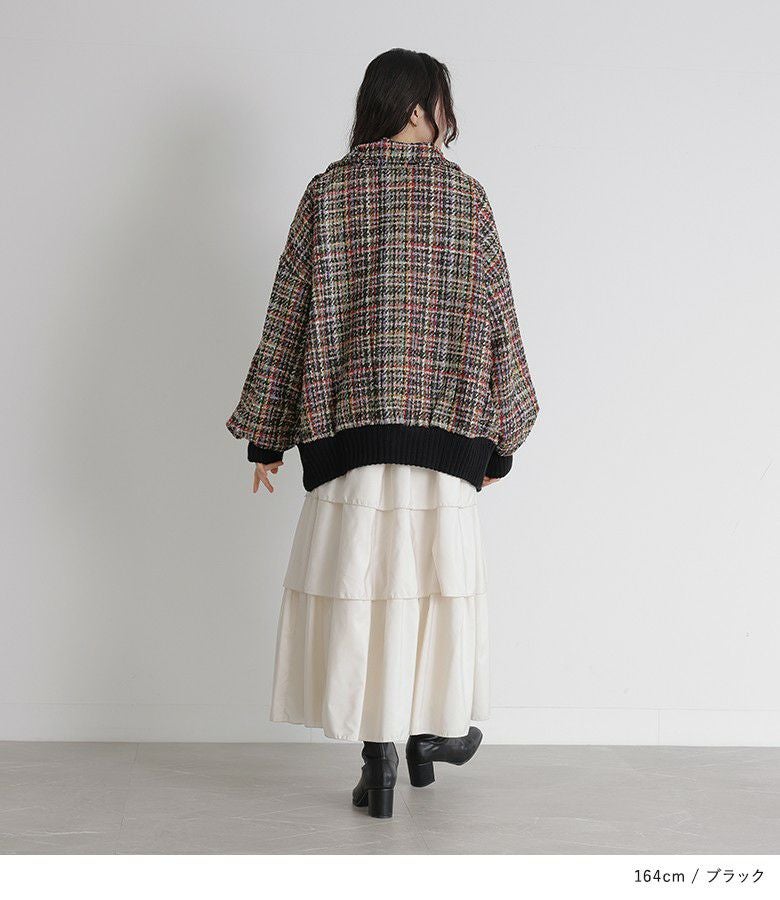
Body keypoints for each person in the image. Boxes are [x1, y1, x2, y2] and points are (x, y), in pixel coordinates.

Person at [226, 47, 539, 818]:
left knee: (366, 596)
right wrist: (503, 438)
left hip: (351, 439)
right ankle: (434, 738)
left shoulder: (328, 192)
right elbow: (498, 321)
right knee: (433, 594)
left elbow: (288, 315)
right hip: (446, 438)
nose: (447, 119)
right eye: (441, 103)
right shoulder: (466, 197)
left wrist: (266, 434)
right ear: (418, 107)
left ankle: (379, 763)